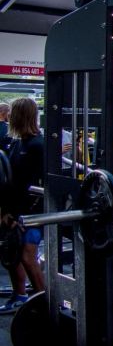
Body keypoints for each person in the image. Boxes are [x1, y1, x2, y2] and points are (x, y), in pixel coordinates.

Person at [0, 98, 46, 314]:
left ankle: (44, 301)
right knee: (13, 254)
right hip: (13, 211)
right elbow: (11, 180)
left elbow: (40, 186)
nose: (9, 117)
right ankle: (19, 295)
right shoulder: (17, 143)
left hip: (33, 213)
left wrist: (22, 215)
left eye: (12, 114)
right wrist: (6, 211)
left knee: (28, 256)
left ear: (19, 116)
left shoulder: (39, 145)